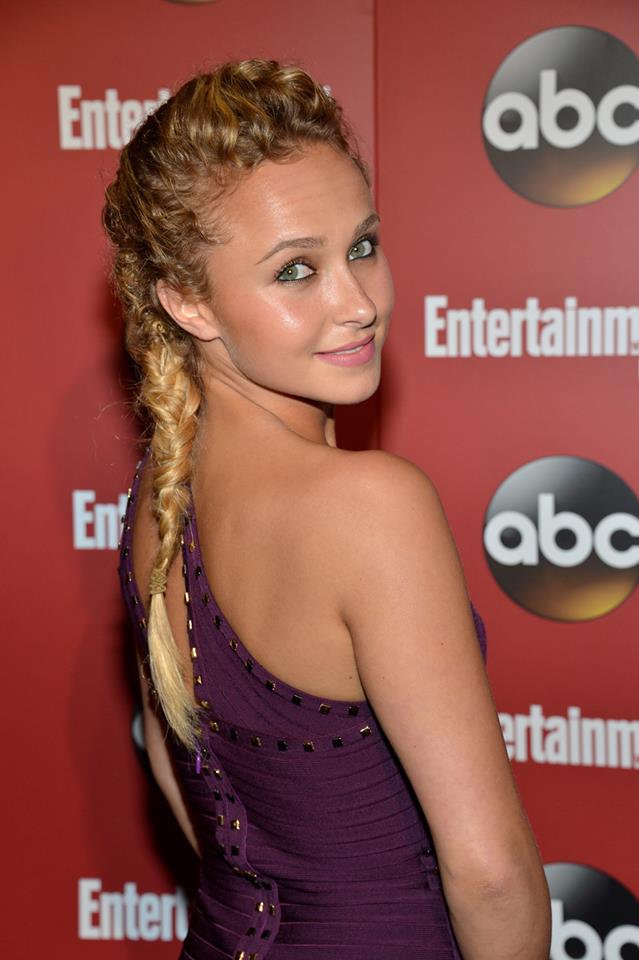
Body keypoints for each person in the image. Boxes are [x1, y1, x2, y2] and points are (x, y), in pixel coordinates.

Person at [104, 58, 551, 960]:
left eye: (362, 247)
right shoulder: (371, 508)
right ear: (187, 301)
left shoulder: (159, 491)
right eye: (296, 270)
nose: (358, 303)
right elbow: (491, 875)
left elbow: (172, 763)